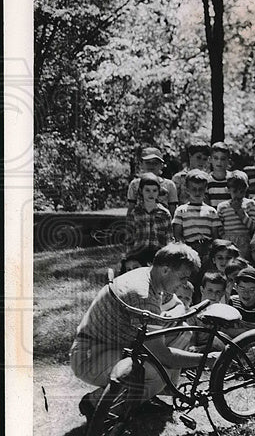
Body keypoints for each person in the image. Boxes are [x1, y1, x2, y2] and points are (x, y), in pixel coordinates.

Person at [72, 243, 209, 416]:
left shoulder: (151, 276)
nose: (185, 283)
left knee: (183, 330)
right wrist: (206, 359)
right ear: (166, 270)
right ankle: (97, 404)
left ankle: (149, 394)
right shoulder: (143, 294)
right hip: (90, 355)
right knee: (159, 371)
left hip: (111, 344)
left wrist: (171, 314)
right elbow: (163, 355)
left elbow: (178, 304)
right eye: (182, 278)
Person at [171, 169, 221, 263]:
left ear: (206, 189)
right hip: (189, 248)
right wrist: (186, 250)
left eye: (200, 189)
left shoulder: (211, 211)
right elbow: (177, 234)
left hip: (207, 249)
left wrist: (212, 251)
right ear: (187, 190)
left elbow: (215, 236)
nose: (197, 193)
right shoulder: (181, 210)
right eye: (194, 189)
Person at [124, 172, 172, 259]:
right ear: (141, 191)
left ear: (158, 192)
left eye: (154, 190)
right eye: (147, 190)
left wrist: (168, 257)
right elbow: (129, 238)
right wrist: (129, 257)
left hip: (158, 256)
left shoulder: (164, 213)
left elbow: (169, 238)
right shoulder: (135, 213)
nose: (151, 194)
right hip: (139, 254)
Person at [216, 170, 255, 257]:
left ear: (246, 189)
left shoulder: (250, 204)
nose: (239, 195)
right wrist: (224, 237)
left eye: (242, 191)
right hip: (228, 241)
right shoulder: (222, 206)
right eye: (235, 191)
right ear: (228, 190)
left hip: (244, 240)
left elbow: (253, 226)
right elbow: (219, 225)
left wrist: (241, 212)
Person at [125, 146, 178, 213]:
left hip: (162, 220)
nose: (151, 165)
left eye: (155, 163)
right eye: (148, 163)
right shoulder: (135, 184)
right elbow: (131, 207)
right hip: (141, 220)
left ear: (161, 165)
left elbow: (173, 210)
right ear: (141, 164)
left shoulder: (169, 185)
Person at [205, 141, 233, 208]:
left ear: (228, 161)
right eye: (216, 158)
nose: (219, 162)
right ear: (210, 159)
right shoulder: (206, 181)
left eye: (223, 159)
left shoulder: (233, 179)